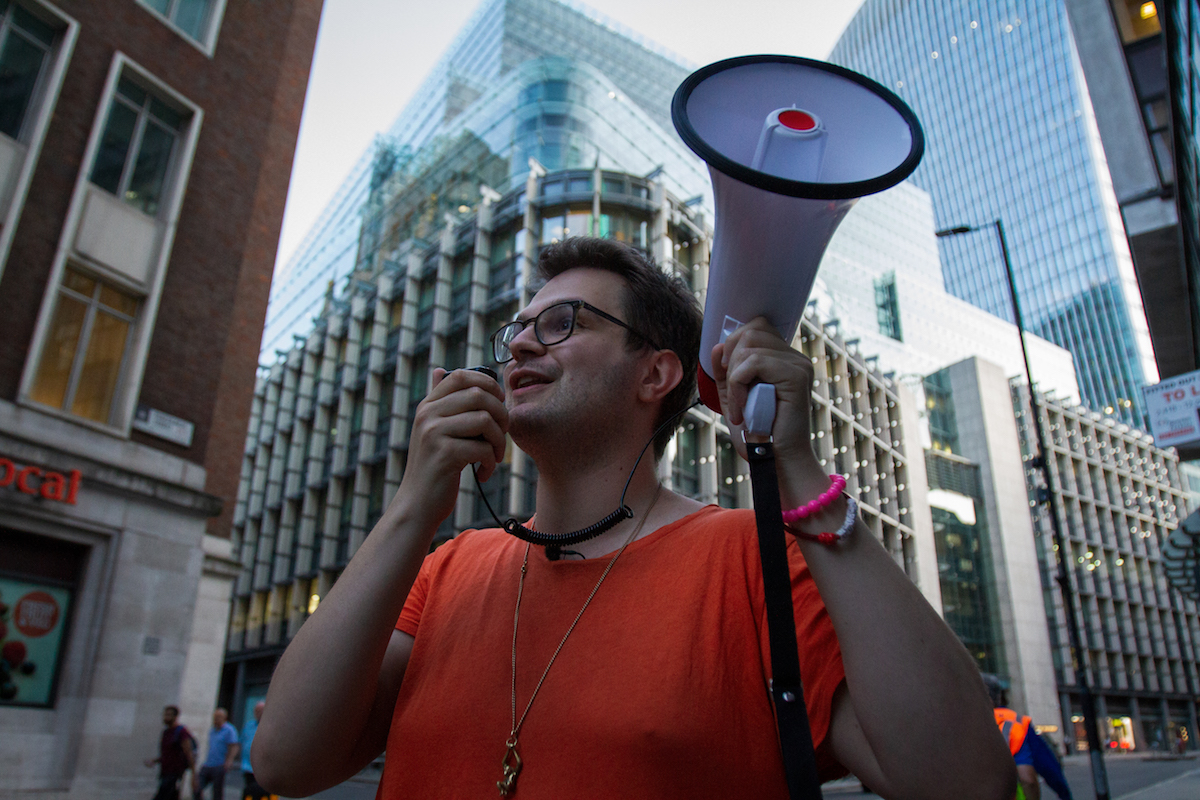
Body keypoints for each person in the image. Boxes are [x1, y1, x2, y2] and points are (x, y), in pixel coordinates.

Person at [252, 237, 1015, 799]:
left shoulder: (755, 559)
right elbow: (287, 760)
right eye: (519, 327)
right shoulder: (447, 567)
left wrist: (803, 472)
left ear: (657, 373)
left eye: (563, 323)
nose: (519, 341)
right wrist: (414, 507)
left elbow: (965, 784)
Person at [144, 705, 197, 800]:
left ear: (175, 717)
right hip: (165, 772)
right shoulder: (166, 732)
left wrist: (193, 775)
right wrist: (154, 761)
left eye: (169, 715)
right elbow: (167, 754)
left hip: (174, 774)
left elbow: (188, 753)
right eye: (165, 715)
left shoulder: (181, 732)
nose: (165, 718)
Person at [197, 708, 239, 800]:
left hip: (220, 764)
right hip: (208, 763)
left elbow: (234, 746)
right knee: (197, 786)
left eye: (219, 717)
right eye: (215, 717)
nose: (216, 719)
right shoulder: (212, 730)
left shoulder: (229, 730)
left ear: (224, 718)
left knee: (217, 792)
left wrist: (229, 760)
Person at [240, 701, 273, 800]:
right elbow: (242, 742)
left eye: (260, 711)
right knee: (249, 792)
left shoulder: (270, 726)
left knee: (259, 794)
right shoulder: (248, 725)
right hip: (247, 767)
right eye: (256, 711)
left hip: (262, 769)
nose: (257, 713)